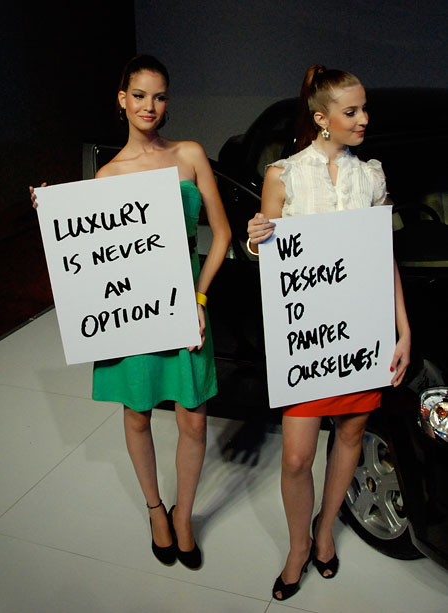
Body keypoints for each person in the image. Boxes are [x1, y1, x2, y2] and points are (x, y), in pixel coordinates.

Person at [30, 55, 231, 569]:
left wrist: (199, 297)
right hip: (133, 311)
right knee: (137, 413)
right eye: (139, 95)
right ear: (122, 100)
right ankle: (156, 509)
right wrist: (52, 212)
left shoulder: (189, 154)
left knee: (194, 420)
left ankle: (184, 516)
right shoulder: (108, 174)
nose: (149, 106)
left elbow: (222, 234)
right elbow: (93, 251)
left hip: (184, 306)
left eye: (159, 96)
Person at [247, 65, 410, 601]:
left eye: (364, 110)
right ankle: (297, 546)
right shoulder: (284, 176)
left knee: (350, 436)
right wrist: (255, 238)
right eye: (351, 111)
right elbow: (269, 258)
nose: (363, 119)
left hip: (361, 334)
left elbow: (383, 258)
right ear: (321, 118)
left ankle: (322, 533)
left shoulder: (372, 177)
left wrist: (402, 329)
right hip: (308, 340)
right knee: (296, 456)